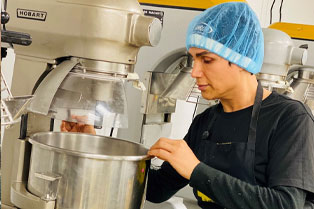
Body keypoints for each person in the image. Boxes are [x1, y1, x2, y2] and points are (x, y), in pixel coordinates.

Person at [145, 2, 314, 209]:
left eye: (206, 60)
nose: (195, 72)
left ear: (241, 59)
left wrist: (196, 171)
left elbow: (286, 204)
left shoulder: (290, 118)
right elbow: (156, 190)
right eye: (194, 60)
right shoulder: (205, 122)